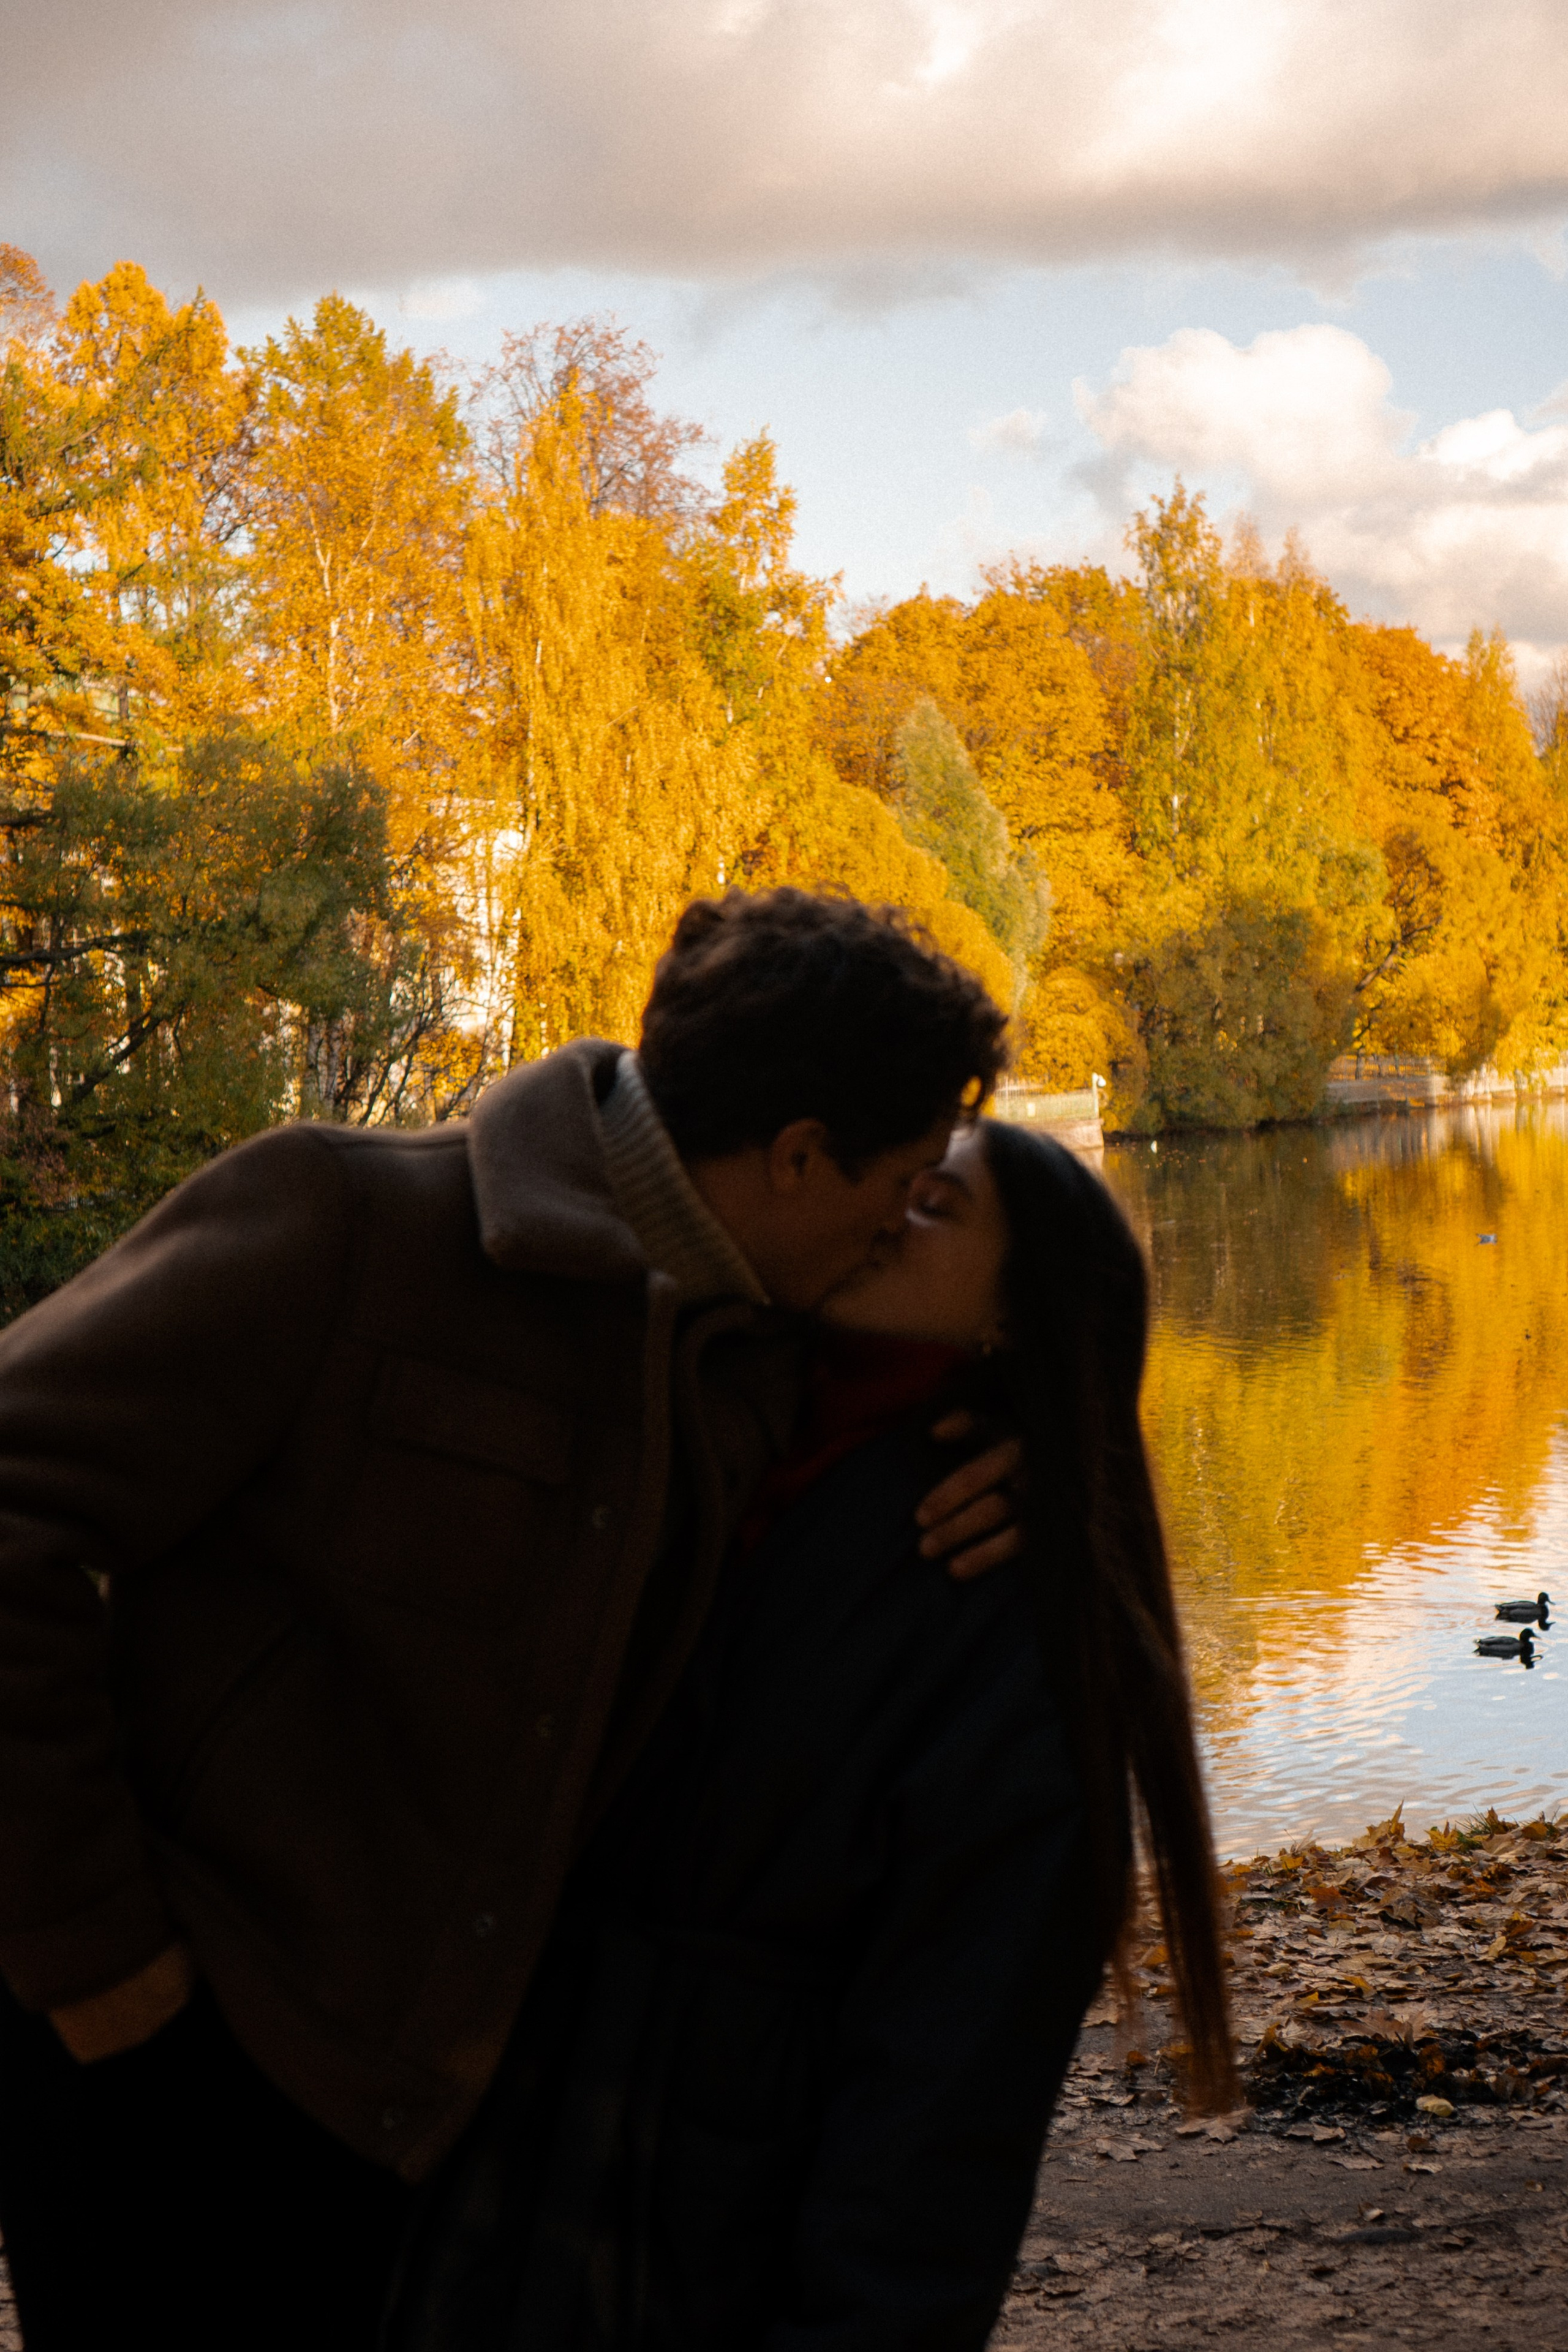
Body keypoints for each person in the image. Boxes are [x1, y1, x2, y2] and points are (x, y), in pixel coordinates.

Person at [0, 889, 1019, 2352]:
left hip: (444, 2132)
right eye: (902, 1181)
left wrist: (1046, 1436)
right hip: (162, 2075)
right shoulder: (346, 1223)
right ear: (798, 1159)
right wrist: (98, 1962)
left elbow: (983, 1350)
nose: (898, 1225)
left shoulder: (760, 1359)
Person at [383, 1115, 1235, 2351]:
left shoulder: (1006, 1606)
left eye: (932, 1207)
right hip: (510, 2141)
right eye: (889, 1182)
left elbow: (944, 2103)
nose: (882, 1215)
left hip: (712, 2214)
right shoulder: (708, 1413)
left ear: (1016, 1319)